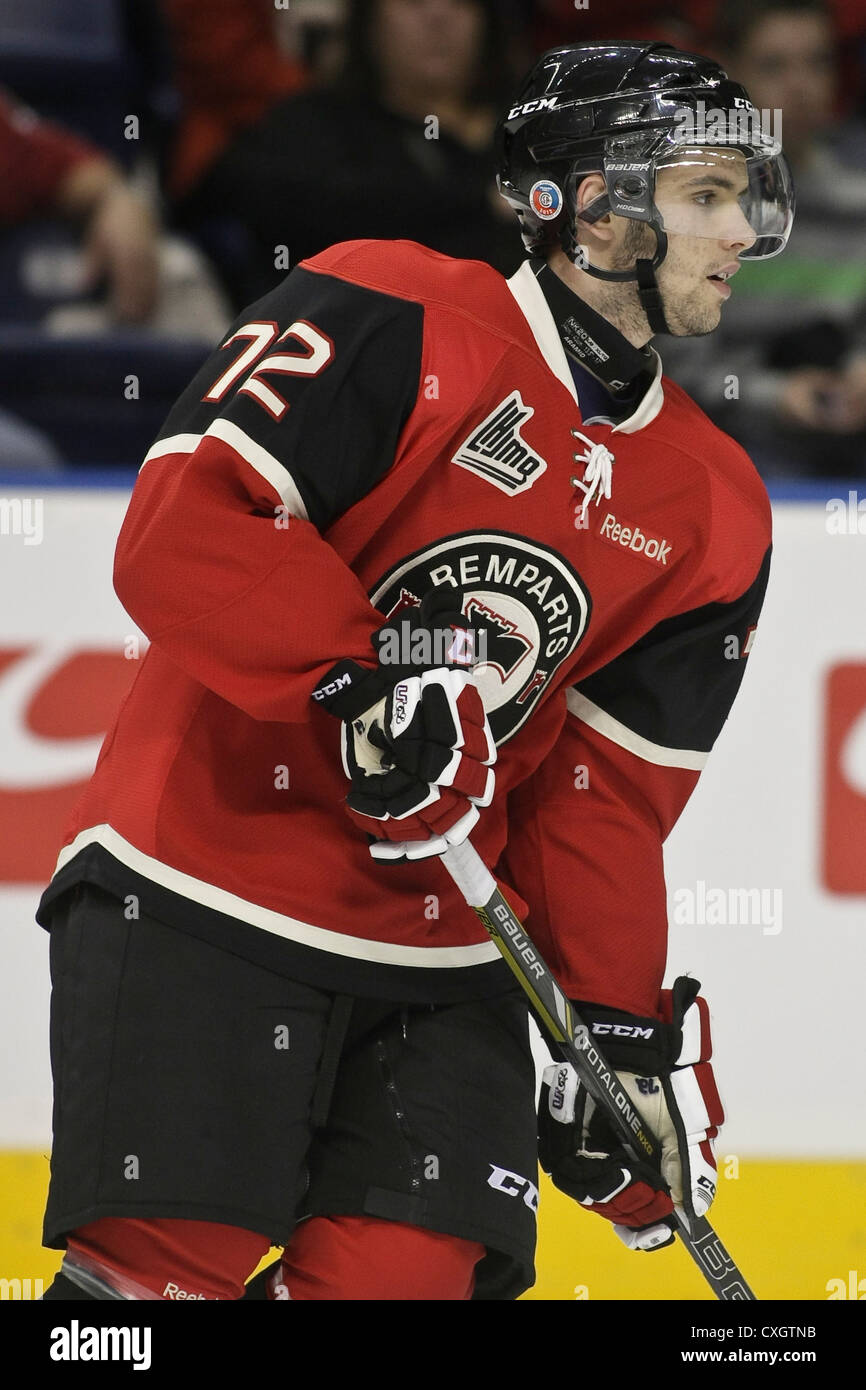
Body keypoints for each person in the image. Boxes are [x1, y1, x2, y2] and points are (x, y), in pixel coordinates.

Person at [35, 39, 790, 1301]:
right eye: (704, 195)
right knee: (155, 1291)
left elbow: (600, 801)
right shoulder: (386, 302)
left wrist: (614, 1035)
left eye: (741, 197)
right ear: (588, 204)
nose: (739, 230)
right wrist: (357, 686)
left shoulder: (717, 506)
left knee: (406, 1284)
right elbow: (188, 526)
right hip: (210, 878)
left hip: (445, 954)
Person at [660, 0, 866, 477]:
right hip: (725, 452)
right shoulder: (689, 208)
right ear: (727, 81)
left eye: (818, 63)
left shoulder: (859, 203)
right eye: (774, 65)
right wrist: (776, 397)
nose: (801, 87)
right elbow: (673, 373)